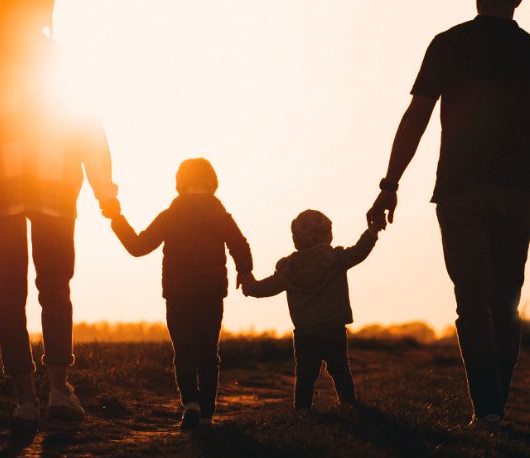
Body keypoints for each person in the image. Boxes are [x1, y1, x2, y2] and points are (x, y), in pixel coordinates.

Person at [366, 0, 530, 429]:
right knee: (505, 303)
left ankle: (489, 410)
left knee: (473, 304)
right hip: (519, 193)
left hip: (460, 190)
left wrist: (389, 185)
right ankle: (494, 406)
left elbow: (416, 116)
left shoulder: (449, 43)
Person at [0, 0, 120, 425]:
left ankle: (26, 399)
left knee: (9, 294)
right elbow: (86, 127)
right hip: (54, 184)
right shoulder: (57, 58)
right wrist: (104, 190)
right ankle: (58, 390)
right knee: (55, 288)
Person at [110, 158, 253, 431]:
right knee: (209, 351)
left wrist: (117, 220)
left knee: (184, 350)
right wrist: (244, 272)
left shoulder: (170, 216)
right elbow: (240, 245)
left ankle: (190, 404)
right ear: (212, 184)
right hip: (211, 292)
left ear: (180, 184)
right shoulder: (220, 216)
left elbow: (138, 246)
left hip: (178, 293)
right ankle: (207, 414)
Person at [242, 210, 384, 411]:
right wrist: (372, 231)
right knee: (340, 370)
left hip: (305, 334)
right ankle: (349, 404)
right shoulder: (335, 259)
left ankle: (302, 410)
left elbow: (263, 289)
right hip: (333, 328)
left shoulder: (288, 269)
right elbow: (359, 251)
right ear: (325, 235)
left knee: (305, 376)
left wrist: (247, 282)